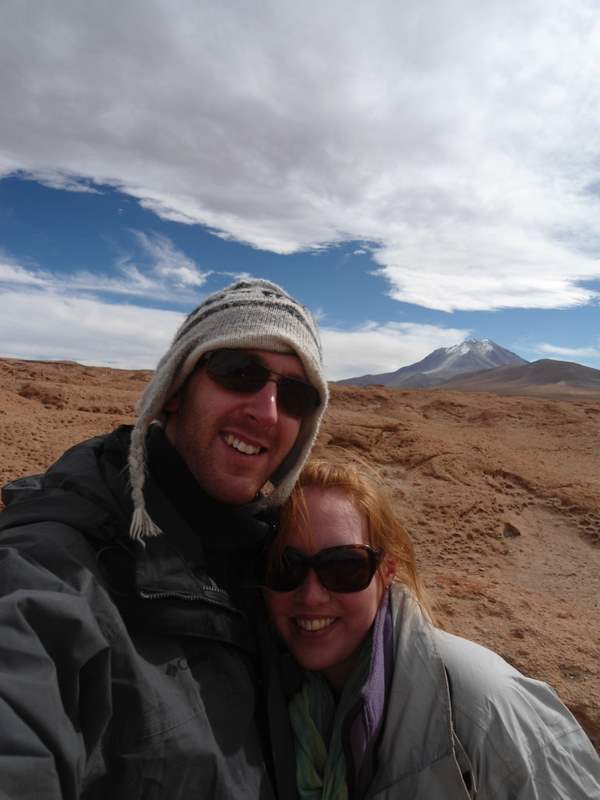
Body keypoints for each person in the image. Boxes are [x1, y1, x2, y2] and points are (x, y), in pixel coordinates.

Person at [0, 278, 329, 799]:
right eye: (238, 372)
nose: (267, 411)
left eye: (295, 395)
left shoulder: (281, 566)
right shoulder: (56, 562)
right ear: (174, 391)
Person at [262, 460, 600, 799]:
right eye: (285, 566)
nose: (311, 595)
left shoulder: (479, 706)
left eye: (344, 567)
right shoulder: (279, 702)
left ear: (387, 571)